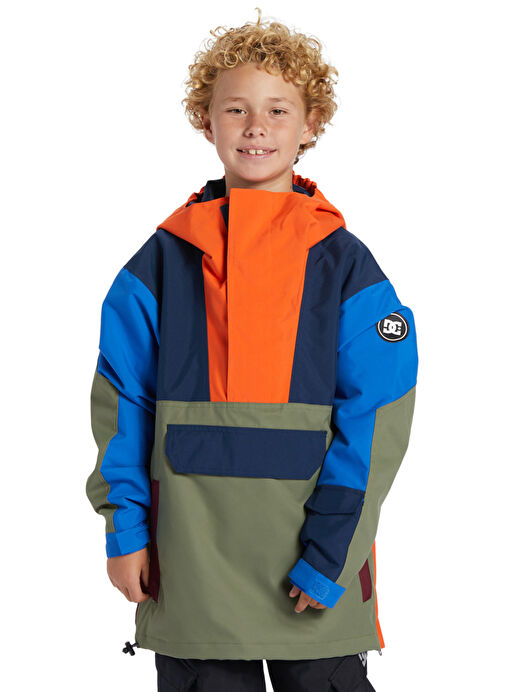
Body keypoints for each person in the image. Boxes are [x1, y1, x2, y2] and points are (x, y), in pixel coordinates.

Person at [86, 8, 418, 692]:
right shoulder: (158, 264)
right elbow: (122, 406)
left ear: (311, 124)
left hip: (313, 562)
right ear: (205, 121)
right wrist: (125, 532)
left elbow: (377, 423)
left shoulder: (345, 266)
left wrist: (332, 551)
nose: (256, 126)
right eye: (235, 109)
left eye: (277, 109)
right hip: (191, 566)